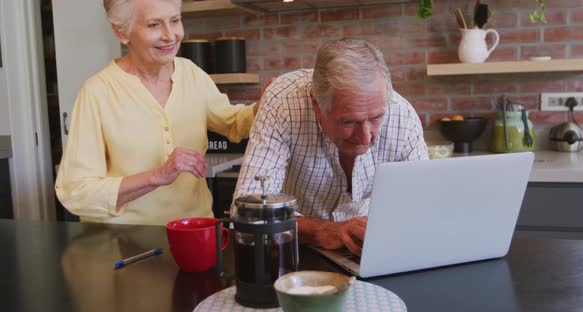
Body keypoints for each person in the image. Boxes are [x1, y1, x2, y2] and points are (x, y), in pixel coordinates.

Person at [55, 0, 256, 225]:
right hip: (125, 243)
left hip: (195, 232)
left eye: (175, 20)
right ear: (121, 32)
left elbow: (234, 123)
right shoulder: (97, 92)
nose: (170, 35)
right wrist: (157, 176)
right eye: (153, 25)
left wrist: (267, 103)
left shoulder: (191, 74)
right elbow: (75, 192)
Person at [234, 38, 428, 256]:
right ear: (316, 105)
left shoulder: (403, 116)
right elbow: (248, 208)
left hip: (368, 252)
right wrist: (322, 231)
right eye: (348, 122)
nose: (365, 137)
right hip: (295, 251)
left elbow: (423, 207)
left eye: (376, 117)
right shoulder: (283, 102)